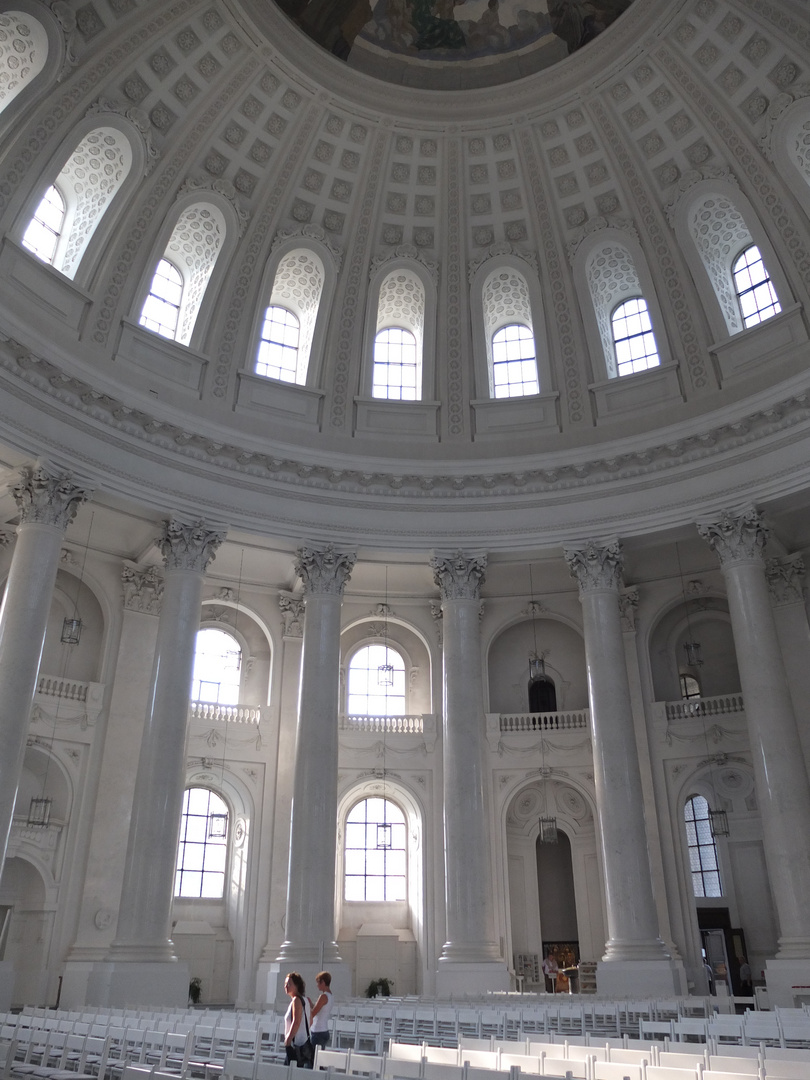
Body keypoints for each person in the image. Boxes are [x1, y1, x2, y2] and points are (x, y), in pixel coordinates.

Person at [284, 971, 313, 1068]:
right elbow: (311, 1020)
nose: (286, 986)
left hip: (296, 1045)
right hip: (303, 1042)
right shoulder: (306, 1000)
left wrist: (288, 1040)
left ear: (296, 985)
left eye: (289, 984)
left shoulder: (296, 1000)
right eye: (285, 984)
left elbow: (296, 1022)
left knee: (289, 1073)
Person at [309, 970, 334, 1051]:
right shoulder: (330, 995)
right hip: (324, 1029)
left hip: (318, 1031)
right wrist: (310, 1003)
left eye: (318, 982)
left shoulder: (323, 996)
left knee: (313, 1059)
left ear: (323, 982)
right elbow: (320, 1010)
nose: (317, 985)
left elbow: (313, 1013)